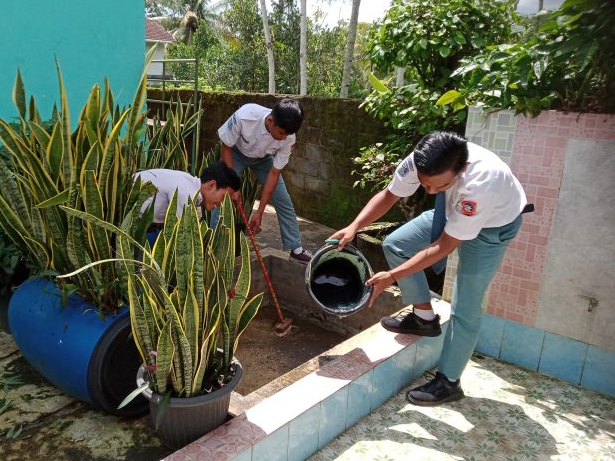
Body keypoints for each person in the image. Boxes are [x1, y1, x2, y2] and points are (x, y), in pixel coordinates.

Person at [329, 131, 527, 406]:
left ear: (462, 169)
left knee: (466, 303)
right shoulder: (422, 160)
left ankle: (449, 382)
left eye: (438, 186)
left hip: (493, 227)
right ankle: (424, 318)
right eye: (426, 185)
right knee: (396, 244)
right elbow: (389, 195)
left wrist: (393, 276)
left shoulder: (480, 184)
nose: (430, 191)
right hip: (453, 208)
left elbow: (444, 246)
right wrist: (354, 227)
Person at [217, 99, 312, 263]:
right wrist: (232, 185)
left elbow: (274, 174)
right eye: (281, 133)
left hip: (263, 160)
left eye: (287, 135)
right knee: (220, 194)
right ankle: (214, 243)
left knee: (284, 199)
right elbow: (225, 146)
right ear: (270, 121)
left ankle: (295, 247)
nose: (283, 139)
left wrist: (260, 212)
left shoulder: (288, 138)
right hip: (235, 153)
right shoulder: (246, 116)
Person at [135, 160, 241, 226]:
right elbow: (182, 234)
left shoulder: (190, 183)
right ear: (211, 185)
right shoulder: (186, 193)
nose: (221, 204)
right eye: (223, 197)